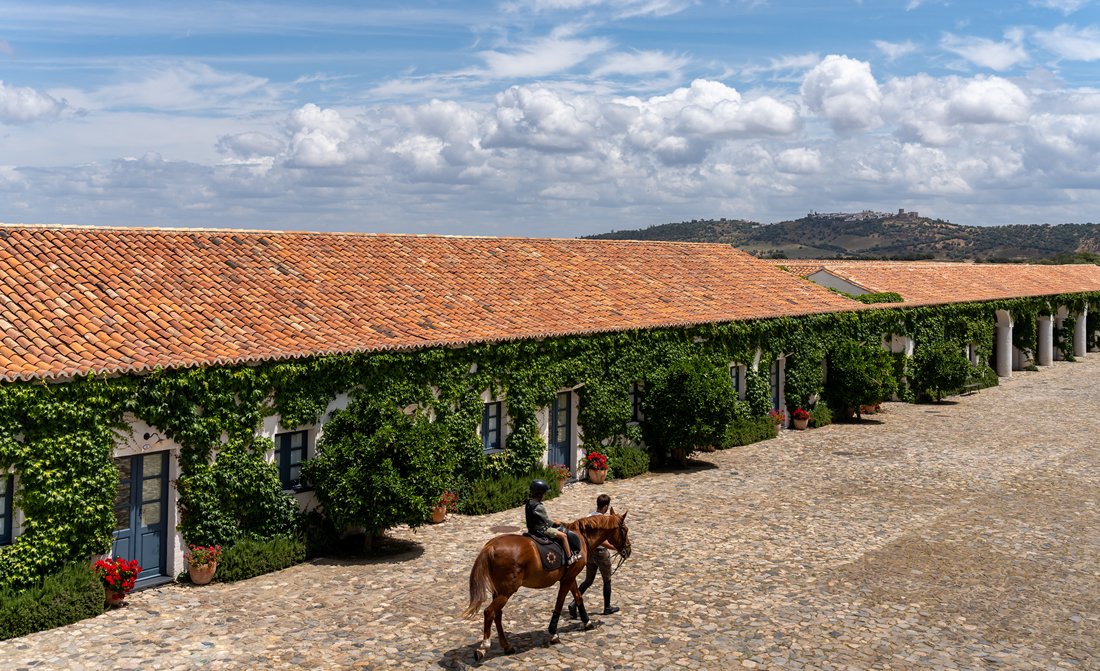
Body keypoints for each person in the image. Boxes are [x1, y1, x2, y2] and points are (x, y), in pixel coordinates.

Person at [568, 493, 620, 618]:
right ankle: (607, 607)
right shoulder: (602, 520)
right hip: (601, 553)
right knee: (607, 579)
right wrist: (614, 547)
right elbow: (601, 540)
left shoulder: (589, 516)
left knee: (588, 580)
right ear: (606, 506)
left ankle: (574, 603)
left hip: (590, 553)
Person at [525, 479, 581, 565]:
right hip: (541, 530)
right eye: (544, 493)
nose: (544, 495)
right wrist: (554, 523)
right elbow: (546, 521)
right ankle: (570, 558)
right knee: (563, 536)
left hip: (531, 528)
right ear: (540, 494)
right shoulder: (539, 506)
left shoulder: (529, 503)